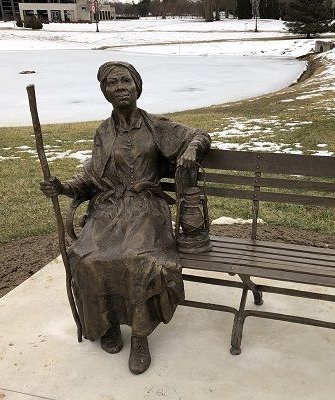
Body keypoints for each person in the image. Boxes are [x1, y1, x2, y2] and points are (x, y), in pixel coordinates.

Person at [40, 61, 211, 374]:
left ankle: (140, 334)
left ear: (137, 86)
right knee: (86, 257)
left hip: (147, 208)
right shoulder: (103, 133)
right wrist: (62, 187)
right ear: (105, 92)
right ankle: (106, 325)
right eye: (112, 83)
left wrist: (191, 149)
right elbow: (91, 176)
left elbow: (199, 135)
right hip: (110, 210)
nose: (119, 87)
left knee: (138, 259)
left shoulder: (154, 125)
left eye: (125, 81)